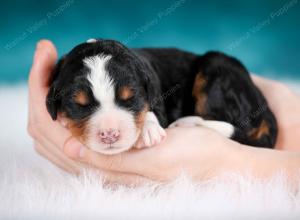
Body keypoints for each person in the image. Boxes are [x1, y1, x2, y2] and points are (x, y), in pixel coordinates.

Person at [27, 40, 300, 185]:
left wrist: (234, 160)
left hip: (225, 88)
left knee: (216, 68)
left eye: (128, 101)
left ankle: (234, 131)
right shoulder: (64, 80)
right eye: (81, 106)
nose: (109, 130)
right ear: (55, 103)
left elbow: (155, 107)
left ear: (145, 91)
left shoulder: (142, 77)